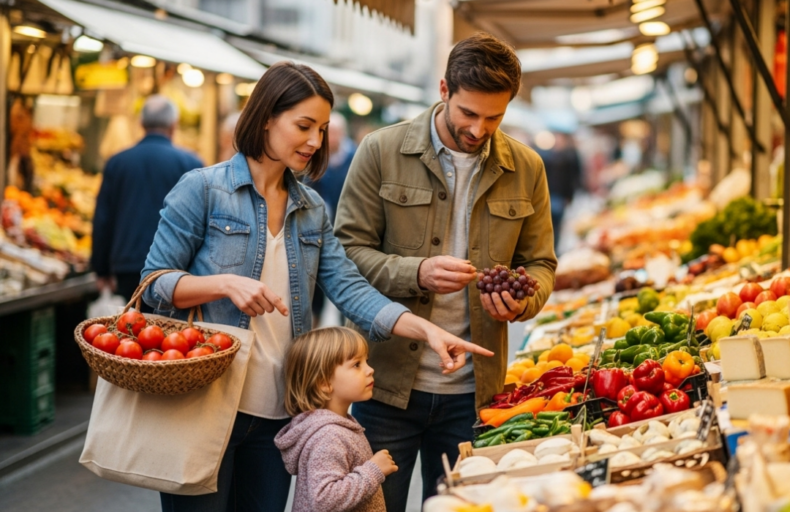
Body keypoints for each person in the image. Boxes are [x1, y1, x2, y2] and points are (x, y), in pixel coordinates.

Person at [141, 61, 493, 511]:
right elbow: (154, 282)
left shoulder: (310, 208)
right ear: (266, 117)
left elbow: (350, 288)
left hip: (280, 417)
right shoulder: (203, 190)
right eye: (303, 125)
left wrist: (425, 330)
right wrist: (224, 284)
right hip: (205, 405)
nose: (314, 141)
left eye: (322, 128)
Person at [335, 32, 557, 512]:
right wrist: (416, 272)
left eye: (494, 117)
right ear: (444, 90)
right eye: (468, 114)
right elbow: (345, 254)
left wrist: (526, 299)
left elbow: (540, 263)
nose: (479, 129)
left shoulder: (527, 167)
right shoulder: (380, 150)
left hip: (476, 395)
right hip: (386, 385)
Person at [91, 95, 203, 310]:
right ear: (173, 125)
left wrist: (101, 270)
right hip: (175, 271)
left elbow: (103, 219)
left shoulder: (117, 162)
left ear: (141, 124)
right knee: (168, 335)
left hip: (127, 264)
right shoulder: (191, 164)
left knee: (130, 332)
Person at [275, 326, 395, 512]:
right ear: (324, 383)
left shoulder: (337, 427)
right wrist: (374, 470)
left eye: (366, 361)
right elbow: (324, 500)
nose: (370, 370)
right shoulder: (329, 436)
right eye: (357, 364)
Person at [307, 112, 356, 324]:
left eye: (335, 133)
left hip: (347, 230)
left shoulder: (355, 158)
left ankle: (343, 329)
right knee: (316, 284)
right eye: (328, 133)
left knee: (344, 281)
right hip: (319, 229)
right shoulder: (316, 156)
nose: (331, 138)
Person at [539, 132, 582, 251]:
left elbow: (573, 177)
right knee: (547, 224)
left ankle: (554, 248)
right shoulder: (547, 155)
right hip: (548, 194)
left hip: (560, 196)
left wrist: (570, 196)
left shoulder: (570, 155)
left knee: (556, 224)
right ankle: (548, 248)